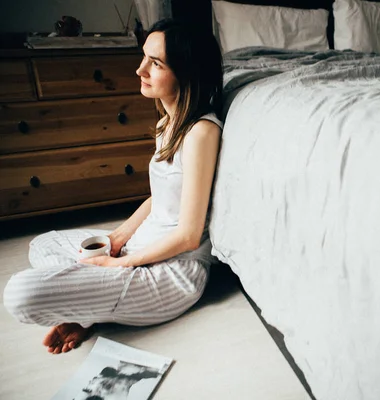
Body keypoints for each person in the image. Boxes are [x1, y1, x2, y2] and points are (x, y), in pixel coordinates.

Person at [3, 18, 224, 354]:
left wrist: (118, 265)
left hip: (173, 271)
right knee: (43, 244)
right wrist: (117, 239)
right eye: (144, 58)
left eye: (155, 63)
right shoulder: (169, 122)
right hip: (141, 249)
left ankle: (90, 306)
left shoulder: (201, 132)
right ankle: (91, 303)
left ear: (185, 72)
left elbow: (189, 236)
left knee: (19, 295)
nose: (140, 70)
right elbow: (160, 197)